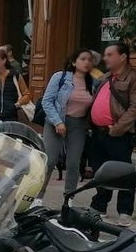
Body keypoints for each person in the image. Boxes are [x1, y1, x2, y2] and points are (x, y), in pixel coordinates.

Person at [89, 42, 136, 226]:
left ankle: (125, 211)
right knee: (101, 171)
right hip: (99, 133)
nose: (105, 58)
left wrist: (116, 129)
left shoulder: (135, 79)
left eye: (109, 54)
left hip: (119, 134)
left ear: (122, 56)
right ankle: (99, 206)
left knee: (123, 172)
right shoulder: (106, 77)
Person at [40, 49, 96, 192]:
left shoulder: (94, 83)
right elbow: (47, 101)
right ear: (73, 62)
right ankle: (37, 197)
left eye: (90, 60)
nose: (87, 62)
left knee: (73, 163)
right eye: (83, 59)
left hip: (78, 125)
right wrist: (57, 122)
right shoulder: (60, 77)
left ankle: (69, 197)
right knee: (50, 161)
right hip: (56, 122)